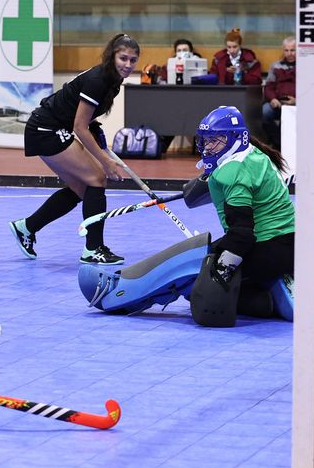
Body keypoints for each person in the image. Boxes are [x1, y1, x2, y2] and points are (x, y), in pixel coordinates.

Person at [79, 105, 295, 325]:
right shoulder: (254, 154)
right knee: (199, 265)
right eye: (207, 140)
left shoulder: (232, 172)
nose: (208, 147)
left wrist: (220, 269)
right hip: (286, 244)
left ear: (235, 138)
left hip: (264, 245)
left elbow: (242, 235)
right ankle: (263, 300)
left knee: (190, 268)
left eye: (216, 141)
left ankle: (120, 292)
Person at [8, 33, 140, 265]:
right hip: (46, 129)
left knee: (82, 188)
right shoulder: (99, 80)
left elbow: (81, 115)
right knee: (97, 178)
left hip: (56, 126)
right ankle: (93, 249)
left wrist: (94, 126)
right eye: (123, 58)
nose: (128, 65)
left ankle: (26, 227)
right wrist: (106, 162)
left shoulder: (113, 80)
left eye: (133, 60)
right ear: (111, 56)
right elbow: (79, 127)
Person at [262, 36, 296, 149]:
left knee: (288, 118)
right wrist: (272, 99)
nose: (289, 53)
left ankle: (287, 145)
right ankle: (278, 143)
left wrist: (297, 101)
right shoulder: (275, 65)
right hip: (278, 102)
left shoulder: (305, 66)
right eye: (286, 50)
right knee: (265, 112)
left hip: (297, 104)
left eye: (292, 50)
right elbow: (268, 86)